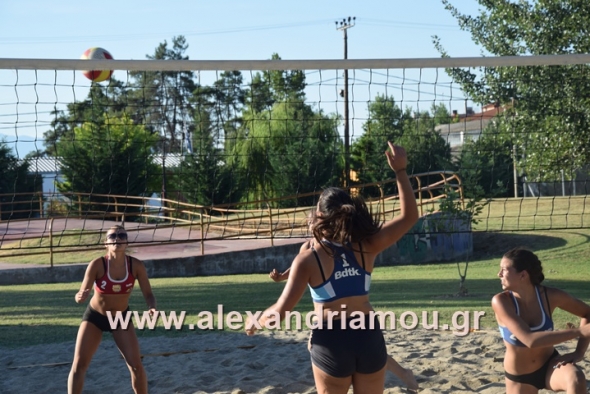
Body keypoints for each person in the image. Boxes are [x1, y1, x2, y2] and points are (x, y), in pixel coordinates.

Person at [248, 141, 419, 393]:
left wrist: (256, 320)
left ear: (320, 215)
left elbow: (280, 312)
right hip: (367, 335)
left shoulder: (308, 259)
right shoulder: (367, 245)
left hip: (332, 340)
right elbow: (409, 217)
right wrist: (401, 171)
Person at [68, 225, 157, 394]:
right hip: (95, 317)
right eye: (113, 236)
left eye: (122, 235)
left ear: (127, 242)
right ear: (105, 243)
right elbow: (80, 293)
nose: (118, 238)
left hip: (120, 318)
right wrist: (79, 297)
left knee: (136, 365)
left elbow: (149, 294)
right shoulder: (97, 264)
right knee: (79, 365)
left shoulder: (136, 266)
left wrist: (152, 308)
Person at [492, 247, 590, 394]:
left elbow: (587, 312)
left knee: (576, 378)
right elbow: (530, 340)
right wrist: (579, 331)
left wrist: (579, 352)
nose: (499, 274)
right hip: (520, 377)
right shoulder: (501, 301)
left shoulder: (550, 296)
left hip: (550, 364)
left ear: (523, 275)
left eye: (504, 270)